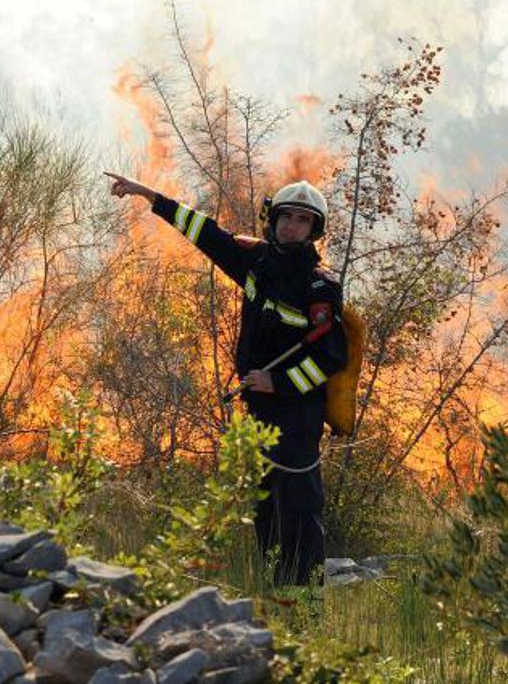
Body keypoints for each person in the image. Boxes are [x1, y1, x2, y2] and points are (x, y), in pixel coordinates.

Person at [106, 171, 347, 587]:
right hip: (258, 411)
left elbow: (330, 358)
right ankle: (277, 593)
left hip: (296, 415)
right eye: (286, 216)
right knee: (265, 507)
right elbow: (207, 233)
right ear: (272, 220)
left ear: (314, 230)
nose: (291, 225)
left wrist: (279, 383)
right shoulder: (256, 262)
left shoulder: (319, 286)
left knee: (300, 510)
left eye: (302, 221)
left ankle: (306, 606)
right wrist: (151, 196)